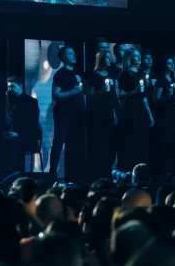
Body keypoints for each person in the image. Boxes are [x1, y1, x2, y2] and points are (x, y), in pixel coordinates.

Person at [50, 46, 85, 180]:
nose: (74, 55)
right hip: (63, 113)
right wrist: (72, 92)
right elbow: (55, 94)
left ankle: (75, 173)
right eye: (70, 54)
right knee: (59, 142)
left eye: (74, 53)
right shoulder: (60, 74)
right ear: (63, 57)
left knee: (76, 142)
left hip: (77, 114)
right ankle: (53, 173)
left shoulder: (77, 73)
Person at [117, 49, 154, 172]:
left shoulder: (141, 74)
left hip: (142, 109)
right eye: (135, 56)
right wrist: (134, 92)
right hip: (131, 109)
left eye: (139, 55)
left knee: (142, 141)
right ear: (129, 58)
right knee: (131, 141)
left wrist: (150, 115)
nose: (138, 58)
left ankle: (142, 171)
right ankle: (129, 171)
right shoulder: (125, 74)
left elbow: (144, 98)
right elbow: (119, 94)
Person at [152, 55, 175, 181]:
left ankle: (172, 175)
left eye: (172, 63)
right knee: (164, 147)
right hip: (164, 117)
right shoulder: (160, 80)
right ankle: (162, 175)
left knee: (174, 147)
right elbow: (155, 100)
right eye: (169, 63)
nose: (172, 65)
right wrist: (167, 96)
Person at [85, 50, 118, 181]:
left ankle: (106, 172)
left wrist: (115, 112)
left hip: (109, 114)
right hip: (96, 115)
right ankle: (96, 175)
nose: (110, 60)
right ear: (101, 59)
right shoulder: (93, 76)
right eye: (107, 57)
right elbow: (89, 96)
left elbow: (113, 97)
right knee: (97, 144)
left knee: (109, 144)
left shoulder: (110, 75)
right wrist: (101, 92)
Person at [4, 77, 40, 175]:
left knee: (10, 144)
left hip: (28, 137)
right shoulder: (10, 101)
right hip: (15, 135)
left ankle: (14, 174)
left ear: (20, 86)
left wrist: (18, 134)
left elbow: (33, 124)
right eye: (8, 87)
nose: (9, 89)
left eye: (12, 86)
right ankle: (10, 174)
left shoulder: (31, 102)